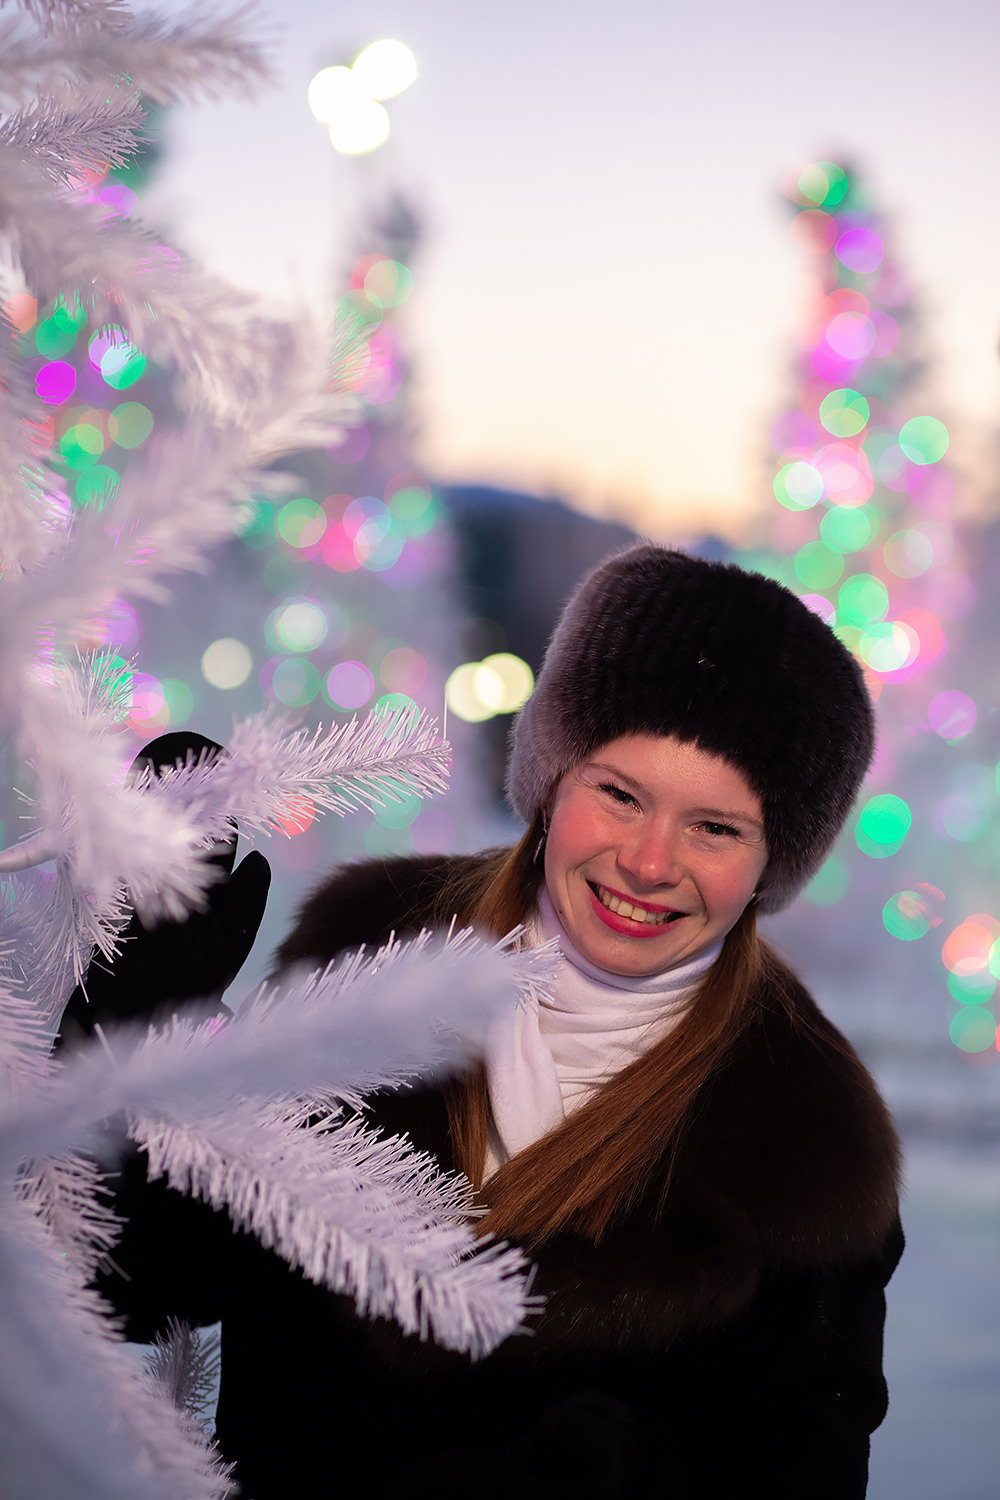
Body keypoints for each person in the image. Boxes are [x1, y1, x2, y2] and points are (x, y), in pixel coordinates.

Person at [68, 545, 902, 1499]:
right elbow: (141, 1278)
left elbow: (803, 1470)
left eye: (716, 827)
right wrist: (137, 1038)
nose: (648, 862)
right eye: (620, 793)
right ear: (552, 781)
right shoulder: (370, 962)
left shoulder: (806, 1144)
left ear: (771, 863)